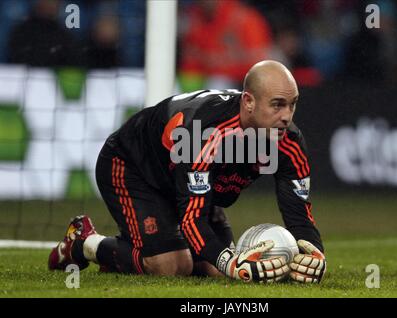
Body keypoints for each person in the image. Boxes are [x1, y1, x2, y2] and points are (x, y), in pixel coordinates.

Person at [48, 60, 326, 283]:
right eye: (277, 104)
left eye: (292, 104)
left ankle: (127, 258)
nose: (287, 116)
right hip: (133, 166)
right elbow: (193, 218)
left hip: (187, 183)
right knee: (172, 265)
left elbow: (299, 213)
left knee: (216, 270)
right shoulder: (204, 133)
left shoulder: (288, 141)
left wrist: (315, 257)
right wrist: (229, 262)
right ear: (249, 102)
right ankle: (84, 242)